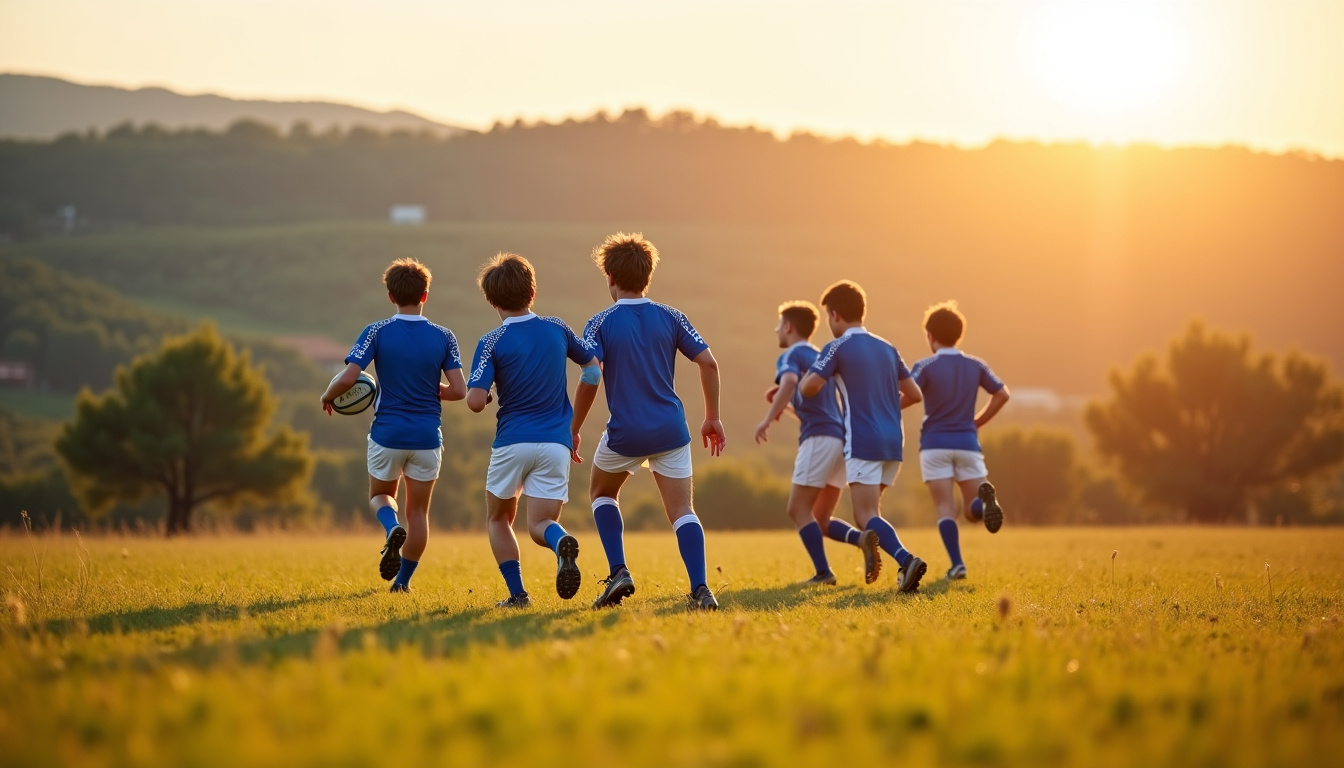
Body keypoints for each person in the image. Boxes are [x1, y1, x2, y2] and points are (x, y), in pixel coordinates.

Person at [573, 232, 726, 611]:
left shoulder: (600, 322)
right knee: (683, 511)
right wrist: (712, 417)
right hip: (671, 431)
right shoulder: (672, 316)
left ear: (610, 277)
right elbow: (709, 363)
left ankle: (618, 571)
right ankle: (701, 589)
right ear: (648, 276)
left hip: (625, 433)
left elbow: (591, 375)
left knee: (602, 493)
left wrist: (572, 428)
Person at [321, 258, 467, 593]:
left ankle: (390, 529)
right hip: (427, 437)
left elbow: (349, 378)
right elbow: (459, 391)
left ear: (390, 296)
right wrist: (433, 389)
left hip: (387, 433)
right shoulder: (444, 336)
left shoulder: (376, 331)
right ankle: (402, 583)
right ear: (425, 295)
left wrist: (327, 396)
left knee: (381, 496)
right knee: (418, 514)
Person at [465, 253, 600, 608]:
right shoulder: (558, 328)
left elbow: (475, 401)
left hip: (512, 442)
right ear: (533, 292)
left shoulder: (491, 341)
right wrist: (574, 425)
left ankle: (518, 595)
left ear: (492, 301)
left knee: (499, 518)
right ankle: (560, 542)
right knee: (541, 523)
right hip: (556, 443)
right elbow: (592, 372)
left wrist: (487, 393)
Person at [799, 280, 928, 593]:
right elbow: (915, 394)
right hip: (893, 440)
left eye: (828, 317)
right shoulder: (888, 348)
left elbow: (808, 387)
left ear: (835, 314)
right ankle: (904, 568)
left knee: (864, 515)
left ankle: (906, 559)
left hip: (863, 439)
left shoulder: (837, 347)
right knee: (873, 513)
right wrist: (885, 405)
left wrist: (808, 379)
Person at [754, 301, 865, 584]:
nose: (776, 330)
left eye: (779, 325)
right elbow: (816, 408)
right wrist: (785, 406)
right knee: (821, 519)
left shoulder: (792, 354)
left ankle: (823, 573)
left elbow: (790, 382)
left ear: (789, 327)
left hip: (819, 438)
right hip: (840, 441)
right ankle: (863, 539)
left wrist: (767, 418)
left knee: (797, 509)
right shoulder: (820, 357)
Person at [907, 301, 1010, 580]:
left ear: (930, 336)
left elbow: (908, 395)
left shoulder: (925, 366)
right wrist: (977, 422)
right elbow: (1002, 394)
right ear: (959, 334)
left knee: (946, 508)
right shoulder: (976, 365)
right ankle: (984, 505)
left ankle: (957, 565)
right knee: (971, 511)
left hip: (934, 445)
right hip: (967, 443)